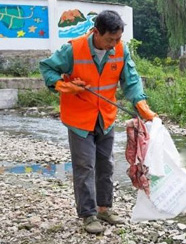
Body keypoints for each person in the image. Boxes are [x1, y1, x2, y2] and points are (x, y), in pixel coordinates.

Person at [39, 10, 157, 234]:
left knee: (106, 164)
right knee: (85, 166)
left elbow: (130, 79)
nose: (114, 44)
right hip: (79, 119)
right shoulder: (73, 49)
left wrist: (140, 103)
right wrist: (64, 85)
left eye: (118, 39)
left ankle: (104, 208)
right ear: (96, 32)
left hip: (105, 116)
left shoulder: (120, 50)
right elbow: (47, 67)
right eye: (110, 39)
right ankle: (88, 214)